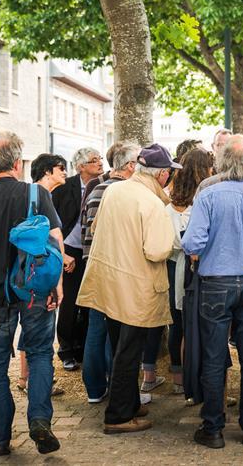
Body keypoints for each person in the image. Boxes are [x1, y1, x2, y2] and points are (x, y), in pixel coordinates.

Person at [0, 131, 63, 456]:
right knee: (41, 354)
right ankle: (40, 421)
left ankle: (0, 439)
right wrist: (55, 288)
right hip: (34, 294)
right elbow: (55, 243)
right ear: (18, 162)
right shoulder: (37, 194)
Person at [182, 135, 243, 449]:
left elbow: (192, 243)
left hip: (215, 283)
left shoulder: (208, 196)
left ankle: (213, 429)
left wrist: (205, 248)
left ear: (220, 163)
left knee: (213, 359)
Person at [76, 144, 177, 434]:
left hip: (109, 282)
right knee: (128, 352)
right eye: (169, 172)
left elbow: (96, 229)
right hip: (135, 286)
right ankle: (118, 416)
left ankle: (129, 403)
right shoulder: (151, 203)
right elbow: (157, 251)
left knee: (119, 344)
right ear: (162, 175)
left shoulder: (114, 191)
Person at [143, 147, 214, 397]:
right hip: (194, 267)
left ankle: (170, 377)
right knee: (190, 324)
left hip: (169, 266)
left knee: (171, 323)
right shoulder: (204, 201)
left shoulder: (167, 201)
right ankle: (191, 378)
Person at [79, 142, 140, 404]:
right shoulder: (126, 193)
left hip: (93, 265)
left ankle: (94, 389)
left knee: (96, 329)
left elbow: (85, 230)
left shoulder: (95, 190)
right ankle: (120, 391)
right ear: (130, 165)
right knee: (120, 334)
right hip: (117, 268)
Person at [16, 153, 68, 397]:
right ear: (47, 171)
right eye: (61, 168)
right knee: (38, 329)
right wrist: (58, 284)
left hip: (22, 273)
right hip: (38, 273)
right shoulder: (40, 193)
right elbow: (56, 237)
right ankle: (38, 384)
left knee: (29, 326)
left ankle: (24, 377)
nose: (65, 172)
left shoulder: (27, 193)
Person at [52, 147, 103, 370]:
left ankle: (83, 348)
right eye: (94, 160)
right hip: (70, 250)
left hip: (93, 251)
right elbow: (53, 220)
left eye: (100, 158)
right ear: (81, 166)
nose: (100, 163)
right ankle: (66, 350)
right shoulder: (65, 187)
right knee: (70, 302)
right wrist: (62, 253)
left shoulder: (105, 185)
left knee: (90, 301)